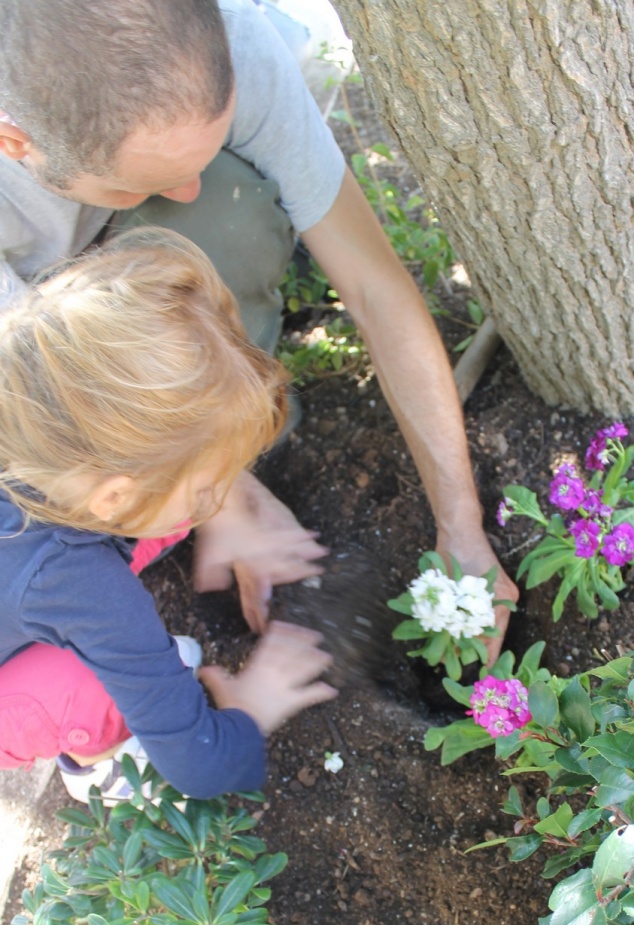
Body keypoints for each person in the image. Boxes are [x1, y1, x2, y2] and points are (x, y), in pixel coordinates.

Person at [0, 0, 518, 650]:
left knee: (228, 209)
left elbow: (373, 286)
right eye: (151, 181)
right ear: (15, 141)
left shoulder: (232, 44)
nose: (186, 191)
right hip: (24, 304)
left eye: (204, 151)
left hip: (118, 246)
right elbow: (50, 394)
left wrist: (461, 524)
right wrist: (217, 494)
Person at [0, 228, 338, 802]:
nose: (224, 495)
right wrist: (251, 707)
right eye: (212, 487)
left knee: (171, 510)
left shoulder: (38, 423)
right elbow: (205, 768)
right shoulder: (81, 587)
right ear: (112, 499)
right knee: (90, 692)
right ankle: (98, 763)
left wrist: (219, 509)